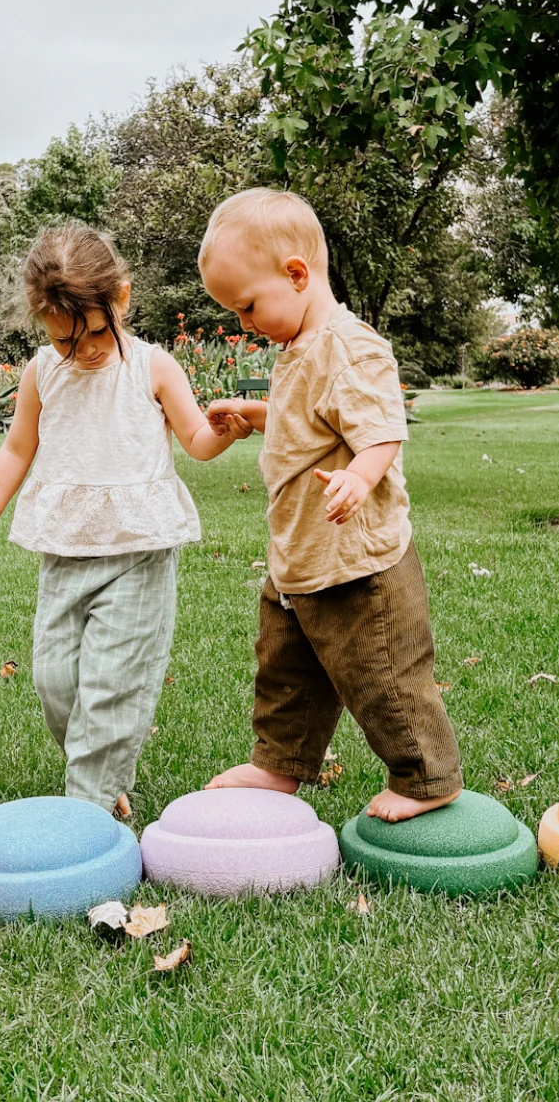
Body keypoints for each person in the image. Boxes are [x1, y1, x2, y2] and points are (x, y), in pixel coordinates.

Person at [0, 221, 251, 817]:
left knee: (111, 683)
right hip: (66, 552)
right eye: (65, 340)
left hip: (137, 551)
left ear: (121, 298)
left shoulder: (153, 367)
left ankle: (89, 812)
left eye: (96, 331)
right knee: (55, 681)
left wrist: (223, 432)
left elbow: (196, 441)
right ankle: (102, 769)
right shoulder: (42, 373)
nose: (86, 350)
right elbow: (17, 449)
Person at [200, 188, 462, 821]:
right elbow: (310, 422)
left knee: (381, 675)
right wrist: (256, 413)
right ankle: (280, 763)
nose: (245, 324)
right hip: (300, 557)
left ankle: (428, 777)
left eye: (247, 306)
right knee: (286, 672)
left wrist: (359, 478)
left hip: (355, 563)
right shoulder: (300, 345)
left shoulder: (350, 346)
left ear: (296, 274)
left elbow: (382, 430)